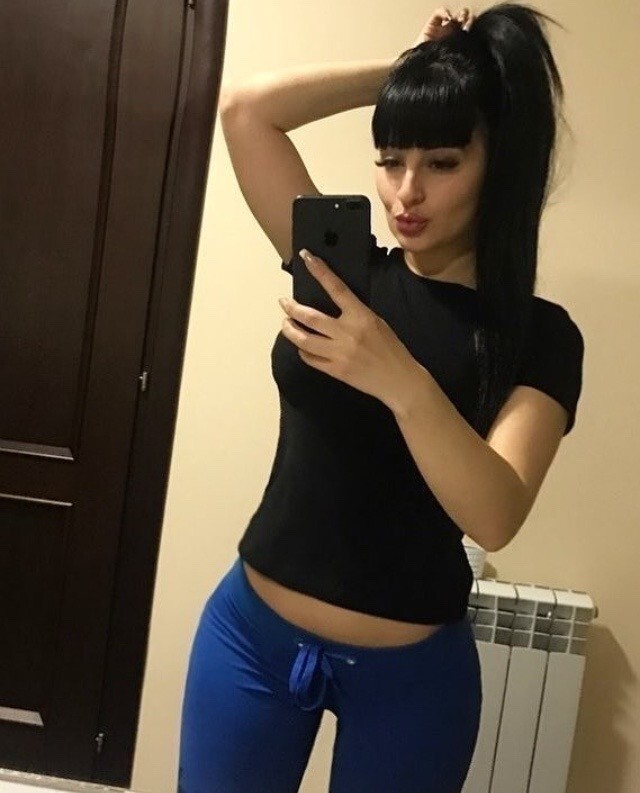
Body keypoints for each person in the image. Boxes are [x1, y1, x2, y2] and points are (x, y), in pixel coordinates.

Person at [177, 4, 585, 792]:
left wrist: (398, 377)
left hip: (412, 677)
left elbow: (495, 511)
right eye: (390, 158)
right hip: (250, 638)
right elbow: (247, 110)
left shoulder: (539, 336)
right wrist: (410, 69)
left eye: (442, 161)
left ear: (498, 161)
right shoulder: (344, 278)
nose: (406, 192)